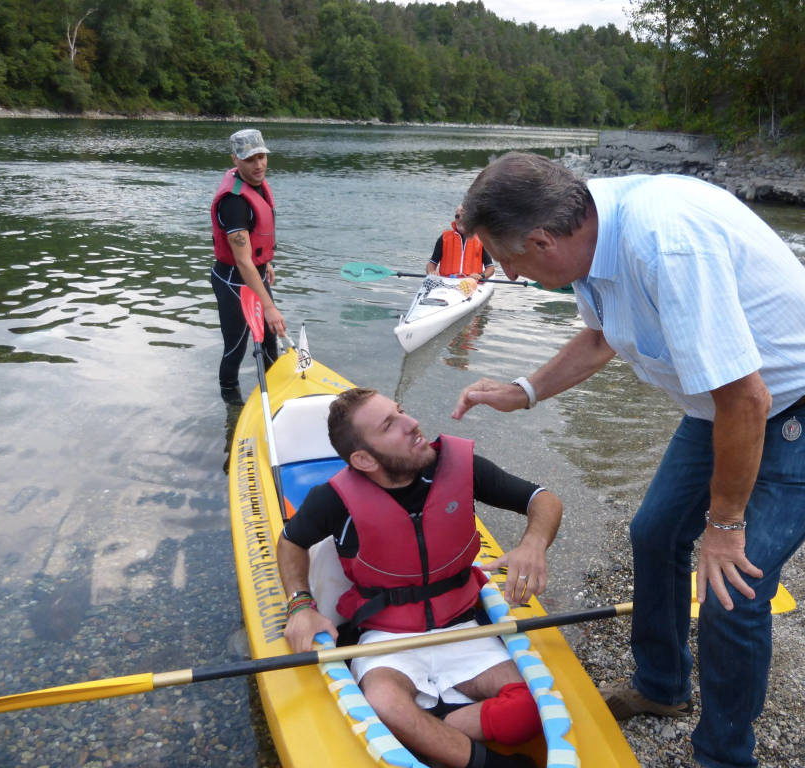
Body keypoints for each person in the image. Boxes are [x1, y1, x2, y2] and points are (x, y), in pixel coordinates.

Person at [450, 152, 805, 768]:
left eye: (507, 260)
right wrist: (526, 391)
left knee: (734, 586)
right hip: (723, 403)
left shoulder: (665, 247)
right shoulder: (583, 226)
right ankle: (661, 687)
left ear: (542, 240)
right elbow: (603, 336)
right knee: (654, 534)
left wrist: (725, 526)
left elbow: (746, 397)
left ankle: (723, 756)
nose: (509, 275)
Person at [278, 387, 563, 768]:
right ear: (363, 458)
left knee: (531, 708)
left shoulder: (460, 468)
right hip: (385, 639)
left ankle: (426, 731)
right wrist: (300, 604)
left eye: (401, 411)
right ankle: (484, 762)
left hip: (463, 627)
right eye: (390, 425)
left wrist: (533, 544)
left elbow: (542, 500)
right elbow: (290, 542)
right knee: (382, 702)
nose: (412, 423)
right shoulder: (331, 499)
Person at [210, 128, 287, 405]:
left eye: (261, 157)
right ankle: (232, 405)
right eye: (250, 159)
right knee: (237, 346)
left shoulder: (256, 185)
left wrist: (266, 261)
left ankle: (274, 397)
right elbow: (242, 259)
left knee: (269, 339)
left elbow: (256, 242)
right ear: (235, 160)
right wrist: (268, 306)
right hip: (233, 280)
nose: (258, 165)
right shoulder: (233, 202)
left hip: (254, 273)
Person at [427, 205, 496, 281]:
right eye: (457, 216)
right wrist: (432, 272)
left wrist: (481, 275)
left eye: (464, 216)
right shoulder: (444, 238)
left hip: (471, 283)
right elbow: (432, 263)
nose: (460, 219)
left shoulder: (481, 240)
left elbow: (490, 268)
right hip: (446, 281)